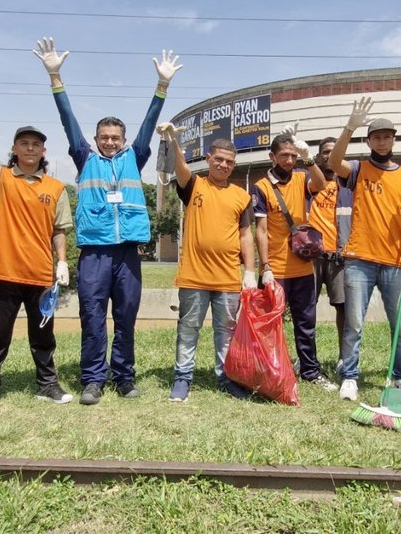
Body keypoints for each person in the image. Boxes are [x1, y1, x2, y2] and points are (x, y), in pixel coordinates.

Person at [35, 37, 179, 405]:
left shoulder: (137, 156)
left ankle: (124, 377)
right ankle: (93, 379)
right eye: (104, 137)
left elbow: (149, 124)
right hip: (95, 255)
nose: (110, 142)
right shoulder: (86, 159)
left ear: (125, 140)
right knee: (93, 318)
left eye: (116, 138)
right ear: (96, 140)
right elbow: (68, 122)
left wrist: (162, 87)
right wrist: (56, 78)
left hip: (128, 254)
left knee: (126, 318)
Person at [0, 97, 75, 418]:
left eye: (35, 145)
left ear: (43, 151)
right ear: (14, 148)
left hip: (40, 274)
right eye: (24, 144)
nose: (29, 149)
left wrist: (61, 261)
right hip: (3, 270)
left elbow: (59, 229)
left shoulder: (55, 187)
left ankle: (47, 385)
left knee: (43, 335)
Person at [327, 100, 401, 402]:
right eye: (376, 137)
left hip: (395, 261)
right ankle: (351, 376)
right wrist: (350, 126)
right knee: (354, 322)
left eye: (386, 136)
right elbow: (333, 162)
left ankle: (399, 377)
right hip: (360, 259)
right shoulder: (358, 169)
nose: (381, 142)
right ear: (369, 141)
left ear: (394, 139)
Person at [157, 124, 257, 402]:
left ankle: (226, 378)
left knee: (226, 332)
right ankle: (182, 377)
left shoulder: (241, 196)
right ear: (208, 159)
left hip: (227, 279)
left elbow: (246, 235)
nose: (224, 164)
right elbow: (179, 167)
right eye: (219, 159)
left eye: (229, 161)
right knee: (188, 329)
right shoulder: (195, 185)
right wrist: (174, 140)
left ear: (234, 165)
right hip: (194, 276)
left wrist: (250, 271)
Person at [251, 127, 336, 391]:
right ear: (272, 156)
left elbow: (321, 185)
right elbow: (261, 230)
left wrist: (308, 158)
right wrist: (264, 266)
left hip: (301, 268)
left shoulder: (301, 178)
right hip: (274, 270)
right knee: (268, 324)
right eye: (284, 156)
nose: (289, 160)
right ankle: (268, 370)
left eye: (292, 156)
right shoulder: (262, 187)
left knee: (305, 322)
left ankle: (310, 370)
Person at [307, 137, 349, 362]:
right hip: (312, 256)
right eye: (325, 152)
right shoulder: (309, 181)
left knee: (343, 308)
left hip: (339, 257)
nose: (328, 155)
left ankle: (345, 357)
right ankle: (307, 356)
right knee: (307, 308)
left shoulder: (349, 183)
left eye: (333, 151)